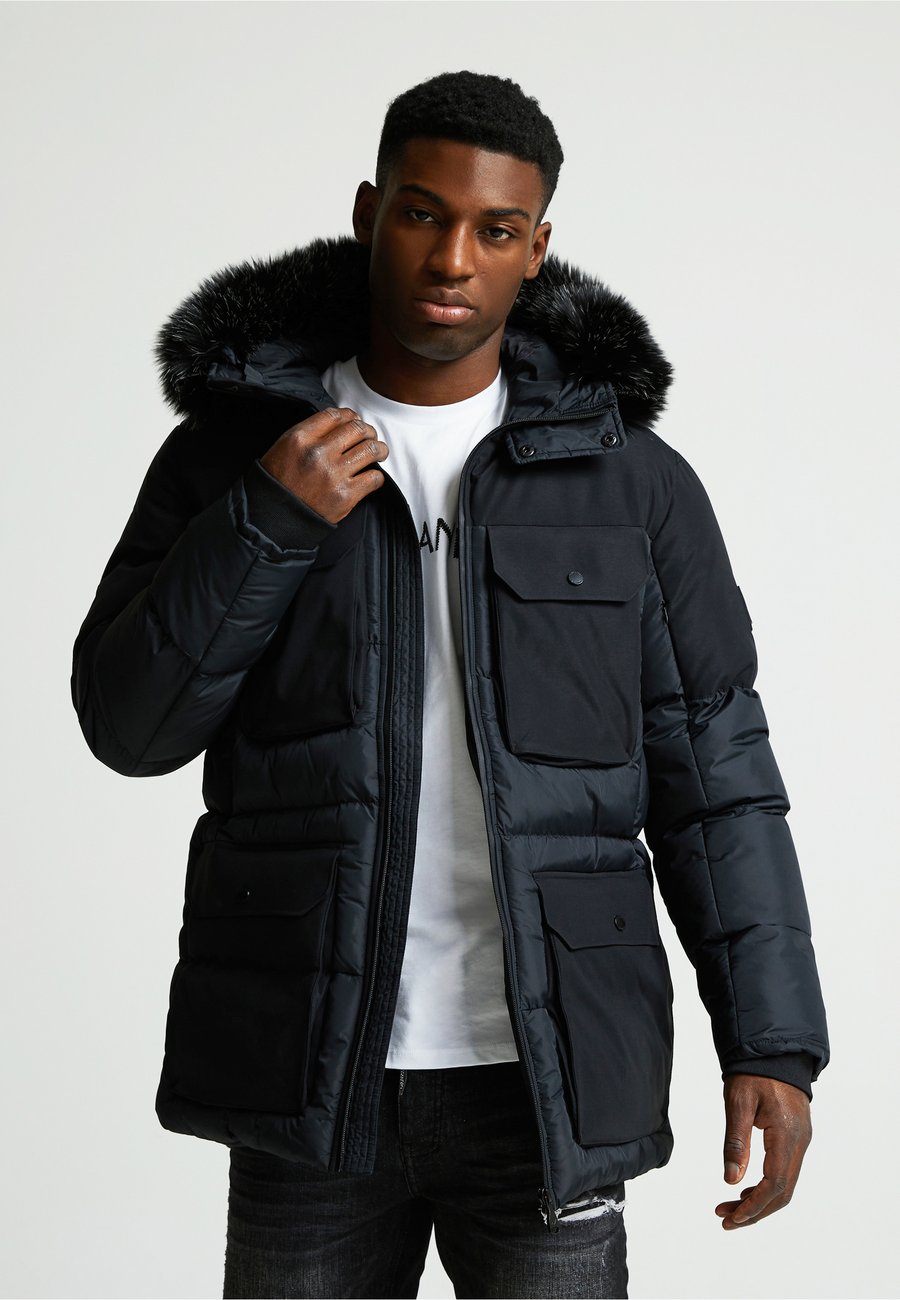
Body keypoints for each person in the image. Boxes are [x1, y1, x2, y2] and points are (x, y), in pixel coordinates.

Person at [71, 70, 830, 1300]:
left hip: (548, 1078)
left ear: (538, 248)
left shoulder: (631, 483)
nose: (452, 259)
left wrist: (774, 1043)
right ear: (370, 212)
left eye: (494, 228)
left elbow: (717, 774)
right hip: (310, 1080)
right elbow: (129, 725)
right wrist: (266, 522)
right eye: (424, 214)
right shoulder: (233, 455)